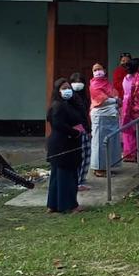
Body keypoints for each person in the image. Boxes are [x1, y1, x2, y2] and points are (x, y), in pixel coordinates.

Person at [47, 78, 83, 214]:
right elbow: (58, 124)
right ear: (58, 91)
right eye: (63, 88)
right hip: (64, 143)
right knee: (66, 177)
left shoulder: (68, 104)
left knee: (58, 176)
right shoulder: (58, 106)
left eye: (69, 88)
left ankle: (54, 204)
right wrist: (75, 132)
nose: (67, 90)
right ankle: (69, 205)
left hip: (63, 143)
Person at [89, 63, 122, 177]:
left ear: (104, 70)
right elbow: (101, 100)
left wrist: (116, 99)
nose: (97, 71)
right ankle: (99, 168)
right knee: (99, 143)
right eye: (95, 70)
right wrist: (115, 100)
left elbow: (114, 93)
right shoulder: (94, 85)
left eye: (99, 69)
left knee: (111, 142)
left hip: (111, 115)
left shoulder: (107, 83)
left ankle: (107, 166)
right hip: (100, 116)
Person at [69, 72, 91, 191]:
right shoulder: (70, 98)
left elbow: (84, 115)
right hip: (75, 130)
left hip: (84, 129)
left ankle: (82, 179)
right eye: (75, 82)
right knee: (78, 156)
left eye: (80, 82)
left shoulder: (84, 97)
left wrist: (88, 129)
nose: (77, 84)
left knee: (86, 155)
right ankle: (76, 181)